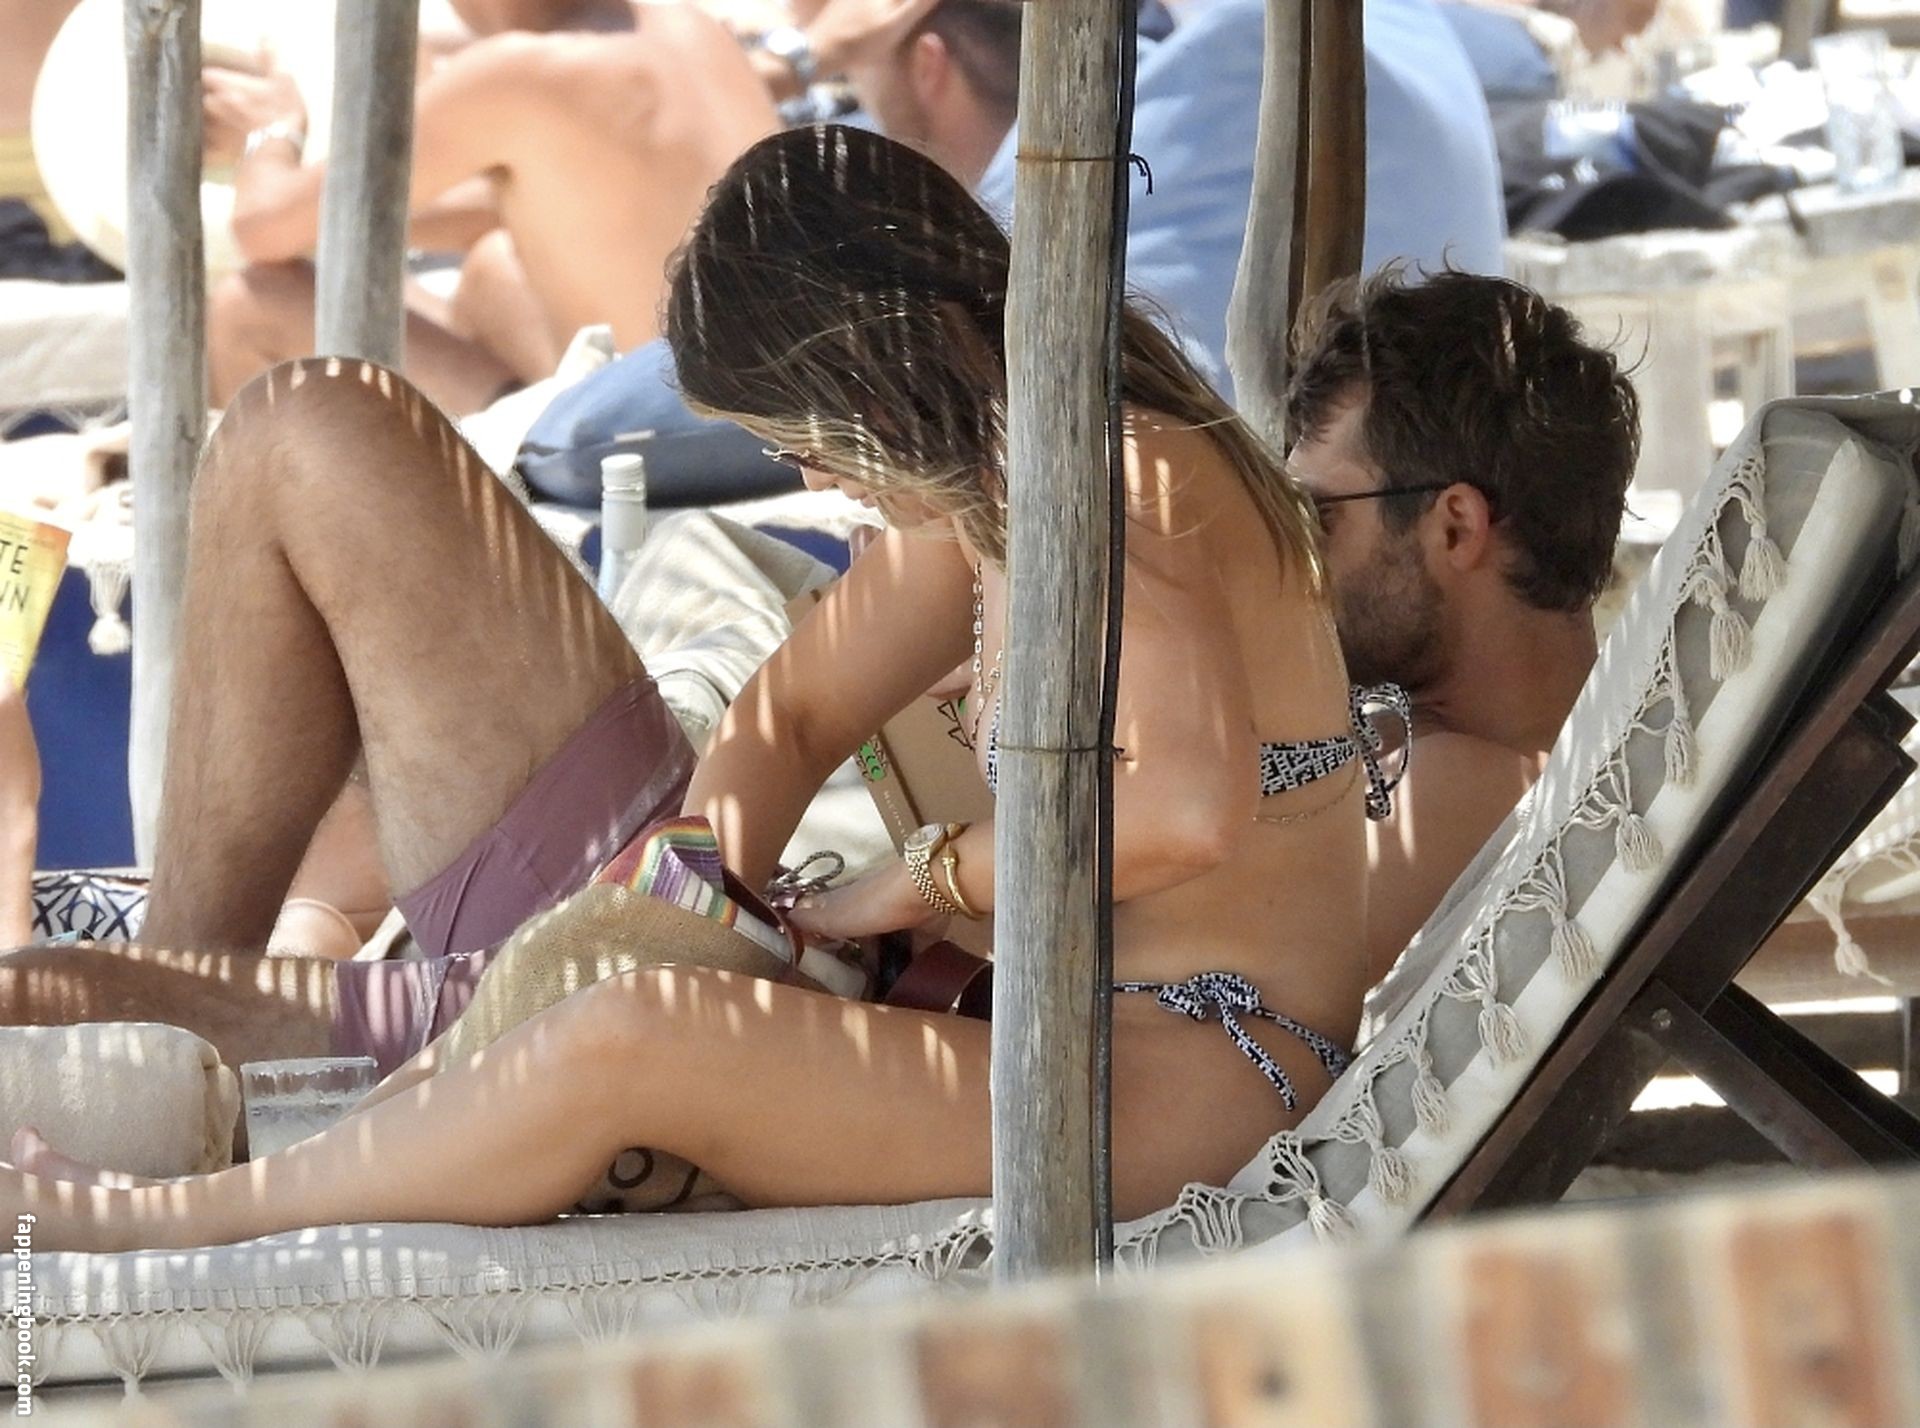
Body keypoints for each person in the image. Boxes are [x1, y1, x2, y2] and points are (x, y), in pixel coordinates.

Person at [2, 124, 1383, 1248]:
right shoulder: (994, 485)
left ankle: (180, 1223)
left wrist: (900, 886)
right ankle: (333, 1086)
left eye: (797, 439)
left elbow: (1183, 812)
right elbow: (786, 724)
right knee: (74, 990)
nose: (802, 476)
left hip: (1192, 1073)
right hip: (1029, 1019)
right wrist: (680, 903)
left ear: (867, 382)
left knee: (635, 1034)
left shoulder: (1117, 472)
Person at [1283, 268, 1640, 981]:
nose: (1293, 559)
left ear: (1455, 527)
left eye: (1316, 518)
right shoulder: (1482, 762)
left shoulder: (1462, 790)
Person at [200, 0, 778, 413]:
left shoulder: (520, 69)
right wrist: (319, 207)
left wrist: (269, 131)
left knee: (251, 306)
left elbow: (261, 228)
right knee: (492, 269)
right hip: (754, 419)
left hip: (649, 436)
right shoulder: (689, 26)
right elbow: (496, 208)